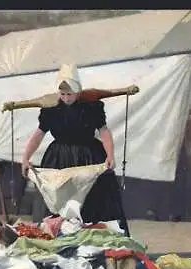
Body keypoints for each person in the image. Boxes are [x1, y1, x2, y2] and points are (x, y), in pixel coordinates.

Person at [19, 64, 134, 236]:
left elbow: (103, 131)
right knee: (59, 201)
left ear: (78, 91)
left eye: (70, 94)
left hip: (88, 156)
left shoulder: (91, 107)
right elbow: (38, 135)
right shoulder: (51, 109)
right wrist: (25, 157)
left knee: (93, 199)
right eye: (63, 94)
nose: (66, 98)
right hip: (59, 159)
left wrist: (110, 154)